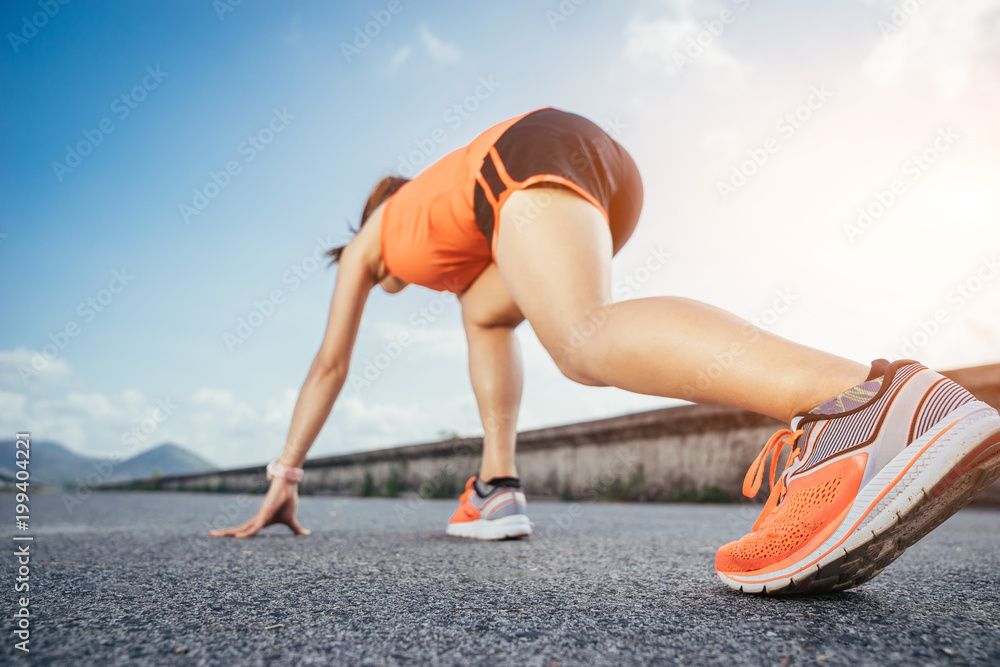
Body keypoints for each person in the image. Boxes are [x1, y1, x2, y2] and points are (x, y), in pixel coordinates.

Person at [209, 107, 1000, 596]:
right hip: (596, 170)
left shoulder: (371, 244)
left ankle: (865, 401)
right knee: (487, 314)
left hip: (530, 154)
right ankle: (496, 485)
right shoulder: (458, 256)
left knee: (581, 338)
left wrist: (284, 476)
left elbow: (329, 365)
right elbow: (488, 311)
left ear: (364, 223)